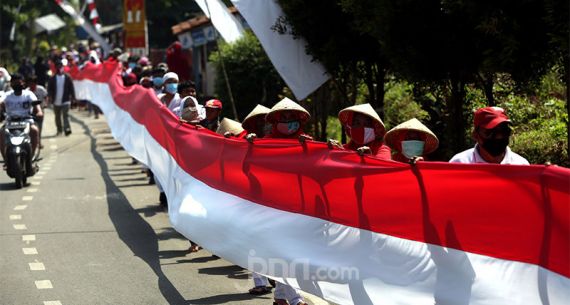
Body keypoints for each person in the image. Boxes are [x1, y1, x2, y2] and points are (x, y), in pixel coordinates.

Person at [264, 97, 310, 305]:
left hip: (299, 206)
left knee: (291, 253)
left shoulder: (307, 142)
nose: (288, 121)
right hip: (273, 206)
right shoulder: (264, 143)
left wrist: (328, 148)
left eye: (292, 117)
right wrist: (247, 144)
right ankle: (294, 298)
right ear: (275, 121)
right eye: (284, 117)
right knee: (285, 251)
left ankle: (280, 297)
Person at [450, 106, 529, 164]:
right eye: (490, 132)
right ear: (475, 135)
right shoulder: (460, 164)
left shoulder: (521, 166)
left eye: (504, 131)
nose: (499, 136)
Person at [0, 73, 43, 164]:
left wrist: (39, 112)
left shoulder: (28, 94)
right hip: (10, 122)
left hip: (26, 121)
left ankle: (31, 157)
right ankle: (6, 160)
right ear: (11, 84)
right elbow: (1, 102)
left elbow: (36, 105)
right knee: (1, 133)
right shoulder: (7, 95)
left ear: (23, 83)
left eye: (19, 83)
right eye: (14, 83)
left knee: (34, 130)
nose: (17, 85)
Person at [47, 61, 76, 136]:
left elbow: (71, 88)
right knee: (57, 117)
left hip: (65, 100)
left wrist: (73, 98)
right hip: (56, 101)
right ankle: (59, 130)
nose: (59, 68)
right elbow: (49, 89)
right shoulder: (52, 78)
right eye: (58, 67)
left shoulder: (67, 77)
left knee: (65, 115)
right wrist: (49, 97)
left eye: (60, 66)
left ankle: (67, 129)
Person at [26, 75, 48, 148]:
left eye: (33, 83)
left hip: (40, 111)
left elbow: (45, 97)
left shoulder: (41, 89)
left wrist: (45, 103)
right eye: (30, 83)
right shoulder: (27, 91)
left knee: (39, 127)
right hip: (30, 112)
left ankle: (39, 142)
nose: (31, 85)